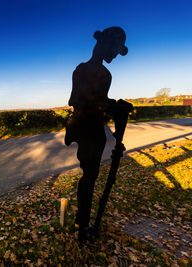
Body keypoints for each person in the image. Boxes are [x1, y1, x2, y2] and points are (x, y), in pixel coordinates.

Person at [65, 27, 129, 242]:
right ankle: (82, 223)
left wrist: (115, 105)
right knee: (89, 176)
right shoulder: (81, 70)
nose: (113, 56)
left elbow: (101, 99)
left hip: (97, 130)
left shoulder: (106, 74)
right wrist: (108, 106)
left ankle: (83, 222)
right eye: (113, 50)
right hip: (84, 128)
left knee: (92, 175)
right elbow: (77, 101)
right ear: (101, 44)